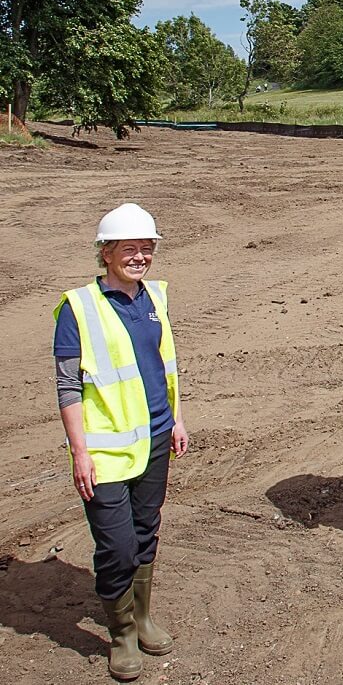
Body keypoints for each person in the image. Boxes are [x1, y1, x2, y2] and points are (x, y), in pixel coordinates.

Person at [53, 203, 189, 681]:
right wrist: (80, 452)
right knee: (117, 546)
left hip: (154, 437)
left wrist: (175, 420)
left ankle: (143, 616)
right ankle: (121, 635)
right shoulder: (78, 309)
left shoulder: (155, 297)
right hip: (105, 451)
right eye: (129, 248)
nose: (140, 257)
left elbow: (163, 365)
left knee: (147, 530)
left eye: (146, 248)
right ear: (105, 252)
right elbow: (68, 387)